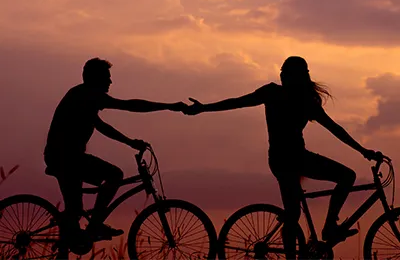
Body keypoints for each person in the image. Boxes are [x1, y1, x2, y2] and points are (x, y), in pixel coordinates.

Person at [183, 56, 380, 259]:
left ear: (298, 76)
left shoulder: (300, 100)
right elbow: (238, 103)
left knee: (301, 208)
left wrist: (363, 150)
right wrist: (204, 108)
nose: (282, 75)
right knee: (324, 191)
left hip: (289, 159)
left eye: (286, 73)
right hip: (288, 160)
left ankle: (325, 230)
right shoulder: (279, 94)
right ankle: (327, 229)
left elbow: (335, 129)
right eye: (282, 72)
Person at [44, 57, 187, 241]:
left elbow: (101, 126)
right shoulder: (88, 95)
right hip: (65, 158)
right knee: (114, 175)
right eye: (106, 77)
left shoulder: (83, 97)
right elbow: (129, 105)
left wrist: (130, 142)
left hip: (66, 158)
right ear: (95, 78)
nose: (110, 81)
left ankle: (70, 236)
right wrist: (169, 106)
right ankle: (95, 224)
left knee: (74, 211)